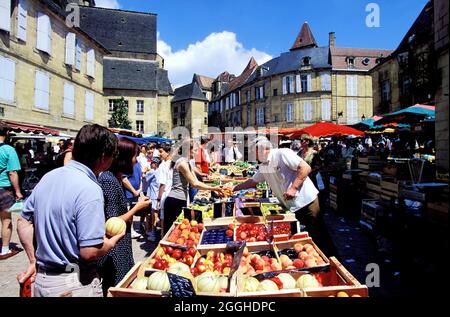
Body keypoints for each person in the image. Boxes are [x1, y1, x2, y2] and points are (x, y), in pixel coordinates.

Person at [17, 124, 125, 297]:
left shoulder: (48, 177)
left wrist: (33, 260)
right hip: (73, 284)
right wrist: (110, 243)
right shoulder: (90, 189)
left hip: (43, 280)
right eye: (114, 154)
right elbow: (89, 252)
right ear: (104, 156)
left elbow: (23, 221)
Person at [233, 137, 335, 255]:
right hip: (290, 207)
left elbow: (306, 168)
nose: (252, 154)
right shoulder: (264, 165)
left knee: (318, 235)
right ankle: (316, 262)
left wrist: (293, 188)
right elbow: (252, 182)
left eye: (253, 151)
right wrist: (234, 189)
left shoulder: (282, 154)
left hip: (306, 202)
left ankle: (333, 261)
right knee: (302, 240)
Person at [97, 138, 151, 295]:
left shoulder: (115, 177)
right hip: (114, 248)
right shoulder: (109, 180)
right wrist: (137, 208)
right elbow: (112, 221)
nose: (136, 161)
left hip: (121, 242)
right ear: (124, 158)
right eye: (134, 156)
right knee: (118, 285)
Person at [163, 140, 224, 233]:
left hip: (180, 199)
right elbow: (194, 184)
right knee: (171, 232)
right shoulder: (182, 163)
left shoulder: (187, 162)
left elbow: (196, 181)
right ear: (188, 150)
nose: (196, 153)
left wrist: (212, 188)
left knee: (178, 231)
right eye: (195, 150)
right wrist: (213, 188)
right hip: (175, 200)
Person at [0, 123, 24, 260]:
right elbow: (12, 173)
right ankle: (4, 250)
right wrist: (18, 191)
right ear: (7, 133)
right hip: (3, 188)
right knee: (6, 220)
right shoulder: (8, 150)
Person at [122, 160, 144, 239]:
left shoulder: (138, 163)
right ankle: (126, 231)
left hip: (135, 194)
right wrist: (134, 191)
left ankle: (130, 231)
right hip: (128, 194)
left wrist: (140, 188)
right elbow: (124, 179)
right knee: (126, 213)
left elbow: (140, 176)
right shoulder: (127, 163)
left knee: (132, 213)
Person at [155, 143, 173, 237]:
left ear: (168, 152)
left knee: (163, 220)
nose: (159, 154)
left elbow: (162, 184)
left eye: (161, 152)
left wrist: (158, 199)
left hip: (166, 194)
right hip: (174, 194)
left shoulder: (163, 165)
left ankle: (162, 238)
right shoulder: (175, 163)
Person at [144, 157, 162, 242]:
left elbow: (144, 176)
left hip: (154, 196)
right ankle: (154, 232)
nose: (151, 164)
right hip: (158, 195)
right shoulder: (161, 171)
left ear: (156, 164)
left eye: (152, 163)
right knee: (156, 215)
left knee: (154, 215)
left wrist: (145, 171)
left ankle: (153, 233)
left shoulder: (153, 172)